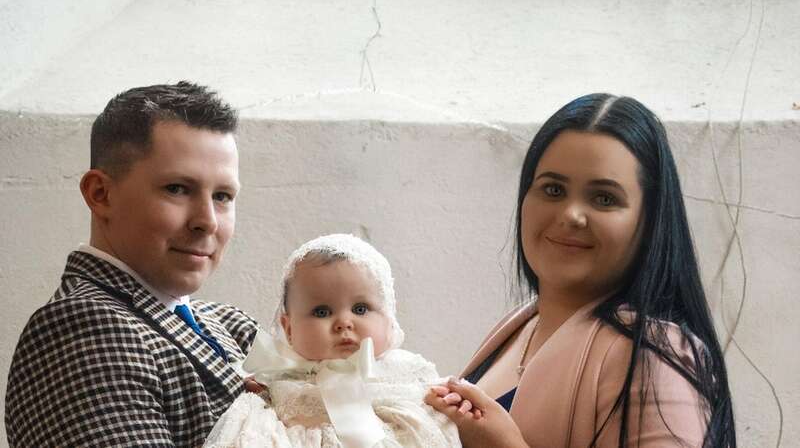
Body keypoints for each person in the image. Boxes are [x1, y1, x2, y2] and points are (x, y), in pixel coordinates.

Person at [425, 94, 737, 447]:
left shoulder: (654, 358)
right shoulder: (519, 328)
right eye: (553, 189)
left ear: (650, 222)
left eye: (604, 198)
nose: (571, 214)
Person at [5, 81, 260, 447]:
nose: (208, 220)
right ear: (101, 194)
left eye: (223, 196)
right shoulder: (83, 330)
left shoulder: (232, 326)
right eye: (177, 188)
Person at [204, 234, 461, 448]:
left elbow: (443, 409)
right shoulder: (278, 371)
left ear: (388, 317)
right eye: (322, 312)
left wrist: (455, 402)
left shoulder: (407, 369)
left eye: (360, 309)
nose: (343, 323)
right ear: (289, 327)